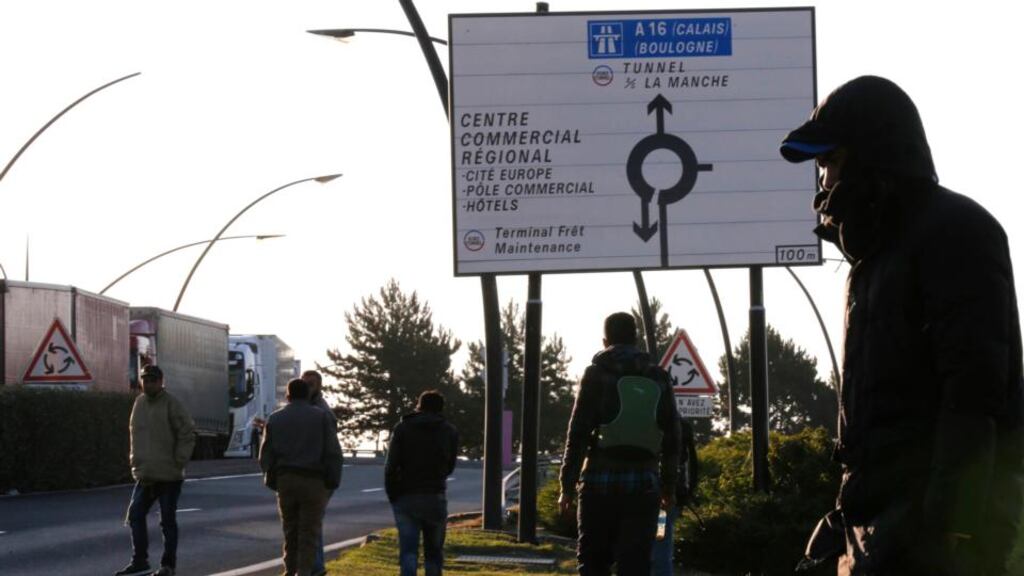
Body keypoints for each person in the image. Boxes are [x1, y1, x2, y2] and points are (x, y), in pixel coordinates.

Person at [781, 75, 1023, 576]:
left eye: (829, 161)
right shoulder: (874, 258)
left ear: (870, 156)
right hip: (880, 526)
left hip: (937, 535)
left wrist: (957, 526)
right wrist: (845, 524)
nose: (822, 181)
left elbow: (976, 393)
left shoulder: (956, 233)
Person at [559, 312, 681, 575]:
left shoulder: (595, 374)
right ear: (636, 339)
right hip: (643, 483)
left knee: (592, 561)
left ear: (605, 341)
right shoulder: (658, 376)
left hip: (598, 482)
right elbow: (672, 436)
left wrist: (567, 486)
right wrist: (669, 487)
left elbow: (578, 433)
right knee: (635, 563)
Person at [116, 364, 195, 576]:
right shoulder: (139, 403)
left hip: (168, 474)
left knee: (167, 520)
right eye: (145, 379)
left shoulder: (171, 403)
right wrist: (135, 461)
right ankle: (140, 560)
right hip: (146, 473)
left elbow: (187, 433)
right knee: (135, 515)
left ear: (161, 381)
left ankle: (168, 566)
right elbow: (135, 434)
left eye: (152, 380)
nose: (148, 383)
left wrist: (178, 461)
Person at [259, 378, 343, 576]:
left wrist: (272, 479)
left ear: (288, 395)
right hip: (314, 480)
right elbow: (333, 451)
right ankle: (304, 572)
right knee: (309, 532)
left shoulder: (275, 418)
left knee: (290, 530)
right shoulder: (321, 417)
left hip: (286, 479)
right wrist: (332, 480)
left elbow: (266, 455)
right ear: (307, 395)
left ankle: (289, 570)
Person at [384, 390, 459, 576]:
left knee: (408, 551)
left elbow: (391, 465)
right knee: (433, 553)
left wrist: (393, 494)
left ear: (419, 405)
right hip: (435, 494)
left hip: (406, 495)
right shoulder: (449, 430)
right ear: (441, 408)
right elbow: (450, 466)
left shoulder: (403, 428)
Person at [650, 418, 698, 576]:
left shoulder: (647, 422)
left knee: (653, 546)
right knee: (661, 544)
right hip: (669, 500)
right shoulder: (680, 425)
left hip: (652, 497)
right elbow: (692, 463)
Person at [301, 369, 337, 576]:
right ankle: (311, 566)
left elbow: (331, 449)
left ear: (319, 386)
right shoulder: (306, 409)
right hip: (310, 476)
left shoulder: (323, 412)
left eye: (311, 384)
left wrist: (329, 479)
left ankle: (316, 567)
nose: (308, 388)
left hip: (318, 477)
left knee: (312, 523)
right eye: (304, 384)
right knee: (309, 523)